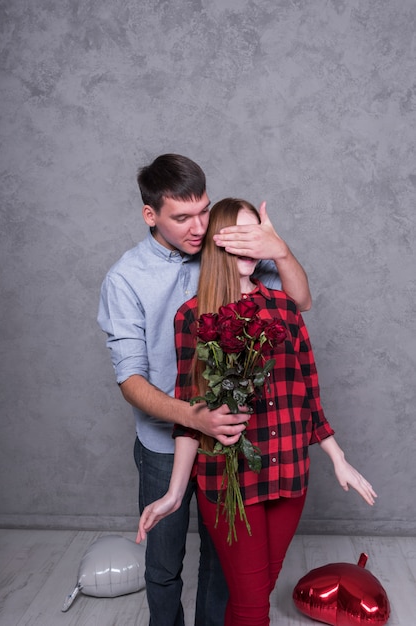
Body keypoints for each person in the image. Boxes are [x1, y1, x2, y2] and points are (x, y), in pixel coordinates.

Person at [136, 198, 377, 626]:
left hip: (289, 476)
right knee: (250, 605)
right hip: (231, 483)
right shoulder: (191, 317)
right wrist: (175, 492)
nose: (249, 245)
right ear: (216, 243)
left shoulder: (285, 309)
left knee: (256, 592)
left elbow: (309, 391)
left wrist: (338, 458)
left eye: (256, 235)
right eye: (237, 236)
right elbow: (190, 412)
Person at [98, 154, 312, 626]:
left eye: (204, 210)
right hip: (163, 444)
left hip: (230, 448)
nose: (199, 227)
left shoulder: (227, 248)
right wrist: (192, 417)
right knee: (163, 563)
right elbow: (130, 379)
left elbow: (298, 302)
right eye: (182, 217)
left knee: (224, 570)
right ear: (150, 215)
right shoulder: (126, 279)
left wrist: (279, 248)